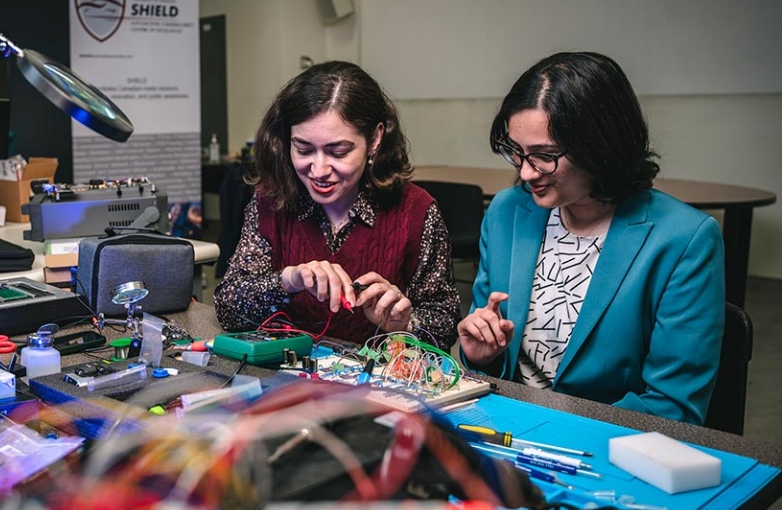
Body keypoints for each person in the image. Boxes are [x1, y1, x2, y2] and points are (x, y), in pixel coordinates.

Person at [458, 51, 724, 424]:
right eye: (515, 152)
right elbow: (490, 365)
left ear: (600, 146)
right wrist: (480, 355)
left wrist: (555, 431)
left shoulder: (683, 239)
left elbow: (673, 407)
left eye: (544, 155)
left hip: (605, 447)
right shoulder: (507, 212)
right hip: (504, 428)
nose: (526, 172)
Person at [214, 61, 461, 350]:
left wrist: (403, 325)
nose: (318, 170)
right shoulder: (271, 203)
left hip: (380, 388)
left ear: (375, 140)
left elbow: (444, 326)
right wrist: (287, 281)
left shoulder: (416, 212)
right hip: (284, 381)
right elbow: (228, 309)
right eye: (304, 149)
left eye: (338, 152)